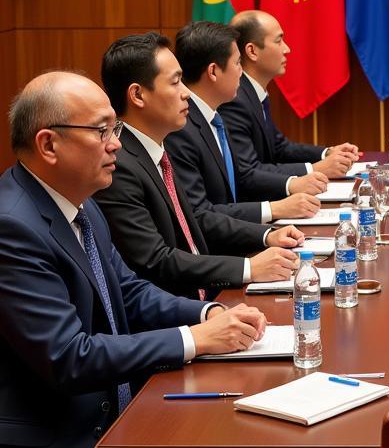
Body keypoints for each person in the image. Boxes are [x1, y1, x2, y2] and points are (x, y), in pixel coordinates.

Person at [0, 71, 264, 448]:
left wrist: (206, 315)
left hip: (109, 418)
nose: (117, 144)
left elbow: (128, 290)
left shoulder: (80, 202)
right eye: (103, 130)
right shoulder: (13, 228)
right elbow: (69, 357)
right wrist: (192, 341)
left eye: (116, 130)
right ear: (48, 145)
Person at [94, 32, 303, 298]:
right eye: (175, 82)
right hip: (177, 315)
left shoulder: (156, 149)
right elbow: (156, 260)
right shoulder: (119, 165)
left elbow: (197, 220)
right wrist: (248, 268)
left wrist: (265, 235)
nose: (186, 94)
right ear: (137, 95)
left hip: (208, 295)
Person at [165, 20, 321, 224]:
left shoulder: (214, 117)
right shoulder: (182, 129)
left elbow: (241, 178)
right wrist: (273, 213)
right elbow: (201, 214)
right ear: (213, 72)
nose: (241, 72)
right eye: (238, 63)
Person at [222, 9, 360, 196]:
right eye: (279, 41)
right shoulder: (235, 100)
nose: (287, 49)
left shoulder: (253, 91)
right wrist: (316, 168)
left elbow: (279, 147)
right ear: (252, 51)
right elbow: (249, 172)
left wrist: (327, 153)